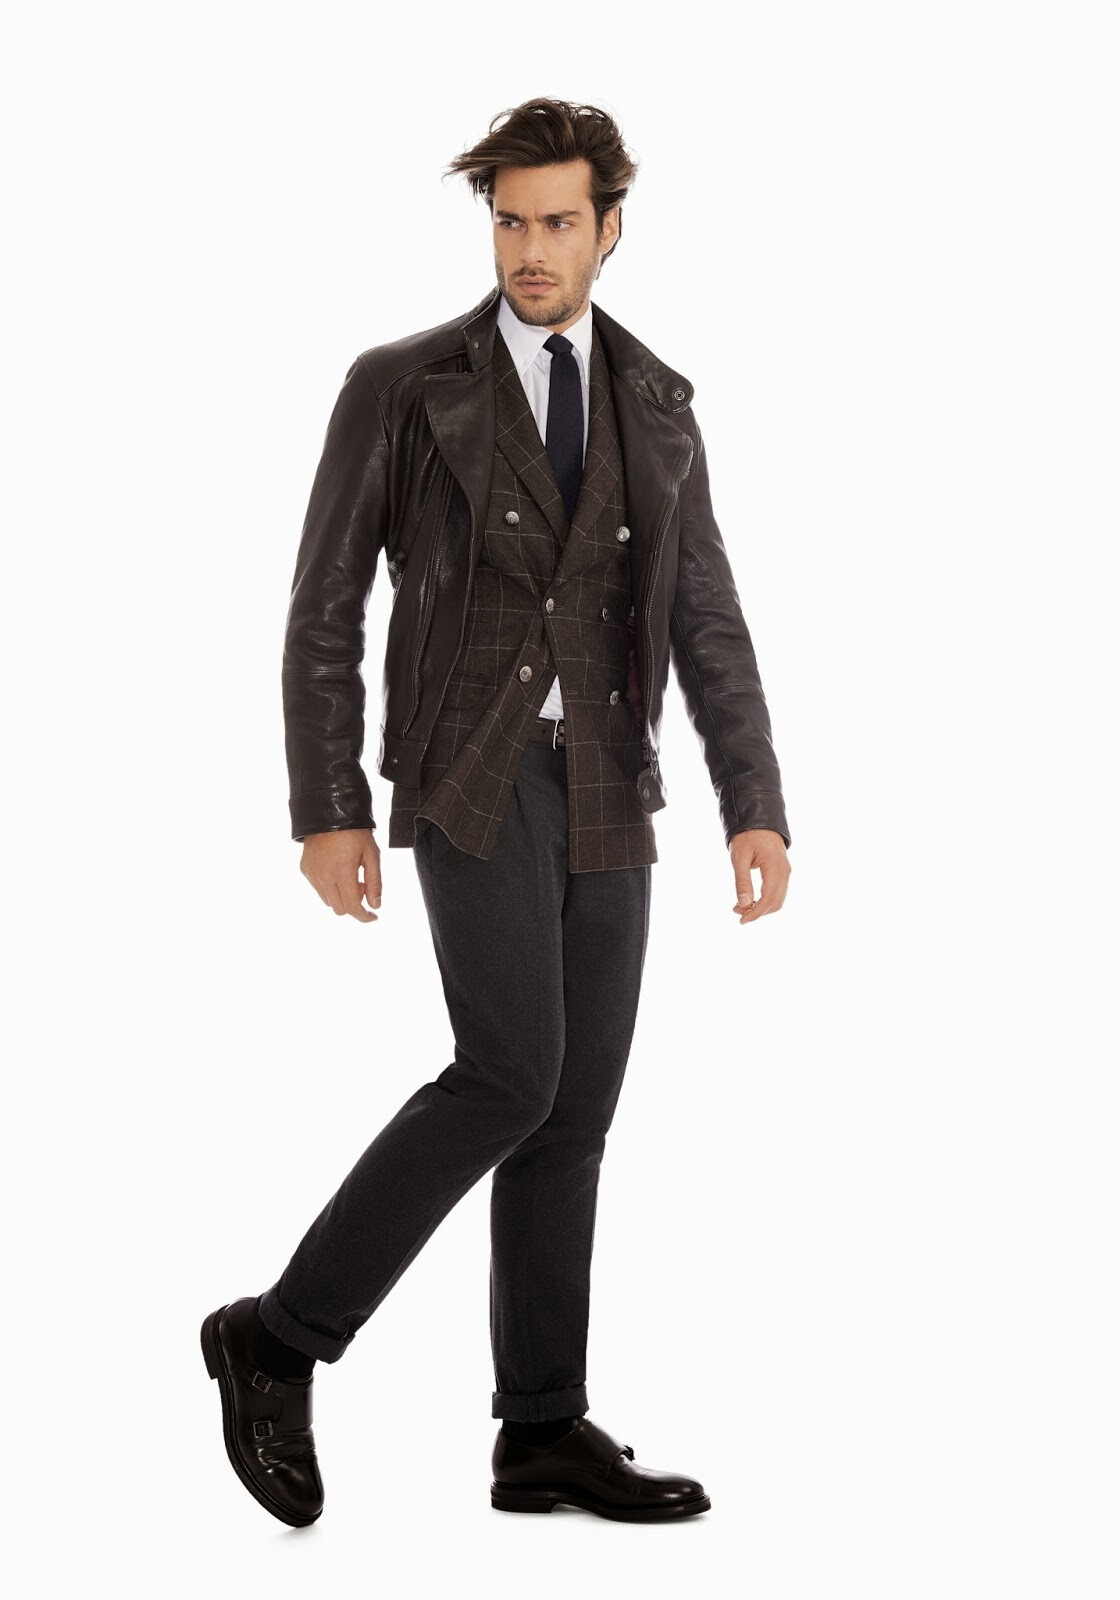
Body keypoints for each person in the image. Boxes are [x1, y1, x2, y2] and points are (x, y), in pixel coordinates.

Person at [201, 95, 791, 1527]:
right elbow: (324, 606)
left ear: (610, 228)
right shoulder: (405, 385)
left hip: (611, 780)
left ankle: (541, 1431)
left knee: (573, 1113)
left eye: (558, 223)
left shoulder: (658, 402)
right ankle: (278, 1336)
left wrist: (754, 801)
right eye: (510, 222)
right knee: (510, 1074)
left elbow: (706, 615)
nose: (531, 250)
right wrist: (329, 803)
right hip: (471, 775)